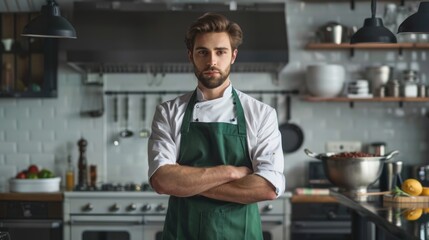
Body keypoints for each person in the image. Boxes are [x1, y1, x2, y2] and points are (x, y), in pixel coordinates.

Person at [148, 12, 285, 240]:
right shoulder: (169, 112)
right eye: (203, 52)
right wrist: (230, 172)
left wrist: (186, 184)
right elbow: (162, 180)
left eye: (220, 52)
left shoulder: (261, 114)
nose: (212, 61)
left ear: (233, 56)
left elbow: (267, 188)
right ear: (191, 56)